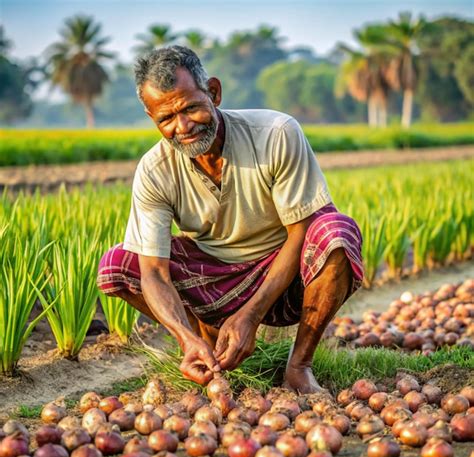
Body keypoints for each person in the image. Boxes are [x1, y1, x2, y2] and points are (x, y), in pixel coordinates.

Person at [97, 45, 363, 394]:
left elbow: (300, 233)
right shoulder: (154, 171)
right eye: (166, 119)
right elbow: (155, 273)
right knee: (118, 265)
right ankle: (201, 347)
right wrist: (185, 337)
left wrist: (251, 316)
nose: (183, 126)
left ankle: (299, 366)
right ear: (152, 119)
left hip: (287, 274)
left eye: (191, 107)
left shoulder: (275, 133)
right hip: (215, 282)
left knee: (335, 231)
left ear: (214, 92)